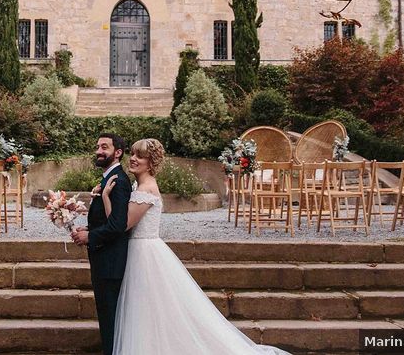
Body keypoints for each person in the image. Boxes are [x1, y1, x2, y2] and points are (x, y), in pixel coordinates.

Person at [100, 138, 290, 355]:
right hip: (141, 251)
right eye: (132, 154)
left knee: (146, 307)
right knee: (147, 311)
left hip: (144, 254)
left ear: (151, 163)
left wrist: (106, 197)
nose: (133, 159)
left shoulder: (147, 188)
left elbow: (122, 225)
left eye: (140, 156)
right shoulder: (138, 185)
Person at [70, 133, 132, 355]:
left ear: (118, 152)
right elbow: (108, 220)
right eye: (97, 147)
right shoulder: (108, 179)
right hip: (104, 259)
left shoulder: (119, 182)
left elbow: (118, 225)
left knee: (110, 319)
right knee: (107, 317)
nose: (98, 151)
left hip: (110, 262)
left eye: (104, 147)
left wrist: (90, 237)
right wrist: (88, 229)